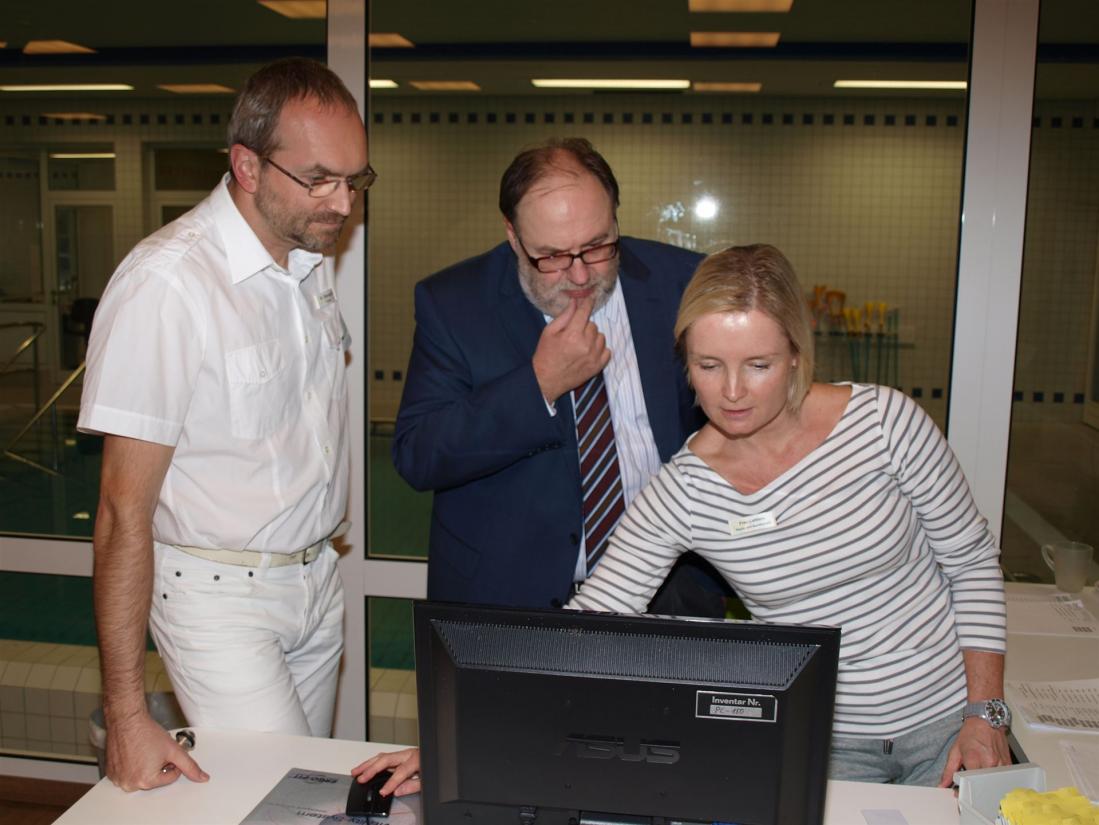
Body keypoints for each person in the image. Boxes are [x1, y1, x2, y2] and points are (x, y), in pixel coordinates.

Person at [567, 244, 1011, 786]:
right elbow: (592, 622)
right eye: (709, 366)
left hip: (950, 723)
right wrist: (477, 722)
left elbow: (971, 564)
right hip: (823, 741)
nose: (732, 392)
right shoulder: (684, 490)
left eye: (759, 365)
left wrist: (985, 713)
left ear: (797, 354)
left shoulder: (884, 424)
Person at [77, 57, 372, 792]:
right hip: (217, 597)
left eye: (355, 180)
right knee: (271, 800)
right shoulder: (168, 285)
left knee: (308, 798)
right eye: (319, 179)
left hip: (313, 584)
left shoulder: (309, 264)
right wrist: (125, 712)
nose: (341, 203)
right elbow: (121, 511)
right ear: (246, 165)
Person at [392, 136, 725, 615]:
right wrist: (538, 385)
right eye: (551, 256)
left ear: (615, 218)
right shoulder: (454, 303)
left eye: (597, 246)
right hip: (510, 599)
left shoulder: (684, 284)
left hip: (668, 592)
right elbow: (418, 454)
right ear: (512, 236)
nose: (580, 274)